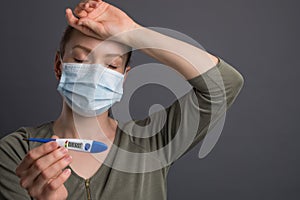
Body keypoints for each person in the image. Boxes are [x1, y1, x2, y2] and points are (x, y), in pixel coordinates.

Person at [0, 0, 244, 199]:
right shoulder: (17, 152)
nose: (95, 74)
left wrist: (133, 33)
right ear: (58, 65)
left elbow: (224, 83)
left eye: (111, 65)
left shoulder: (151, 143)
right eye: (81, 60)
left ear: (124, 77)